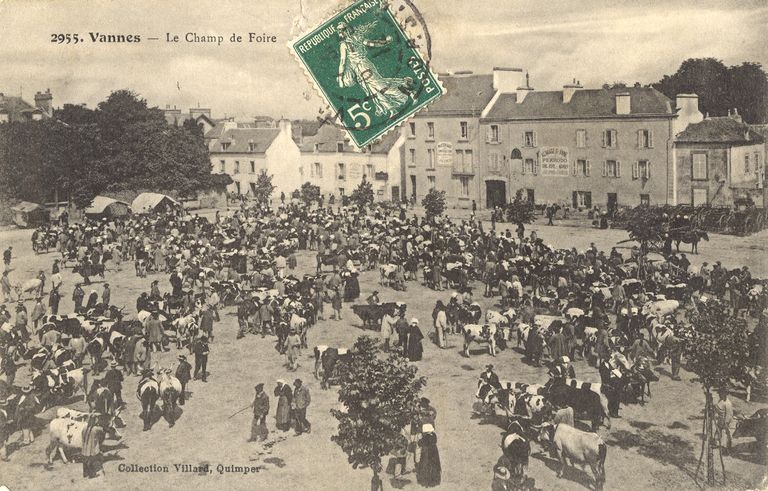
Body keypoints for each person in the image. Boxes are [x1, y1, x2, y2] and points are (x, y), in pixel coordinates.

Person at [82, 413, 106, 478]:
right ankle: (92, 474)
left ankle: (85, 473)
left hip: (85, 448)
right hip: (92, 448)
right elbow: (103, 431)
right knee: (92, 461)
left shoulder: (84, 428)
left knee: (85, 461)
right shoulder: (96, 429)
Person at [714, 388, 733, 454]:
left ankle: (727, 448)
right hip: (720, 419)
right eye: (719, 394)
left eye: (721, 394)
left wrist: (726, 423)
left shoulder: (728, 403)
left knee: (726, 434)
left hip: (725, 421)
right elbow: (718, 408)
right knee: (718, 430)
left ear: (725, 394)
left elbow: (729, 414)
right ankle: (716, 442)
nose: (719, 395)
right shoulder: (721, 401)